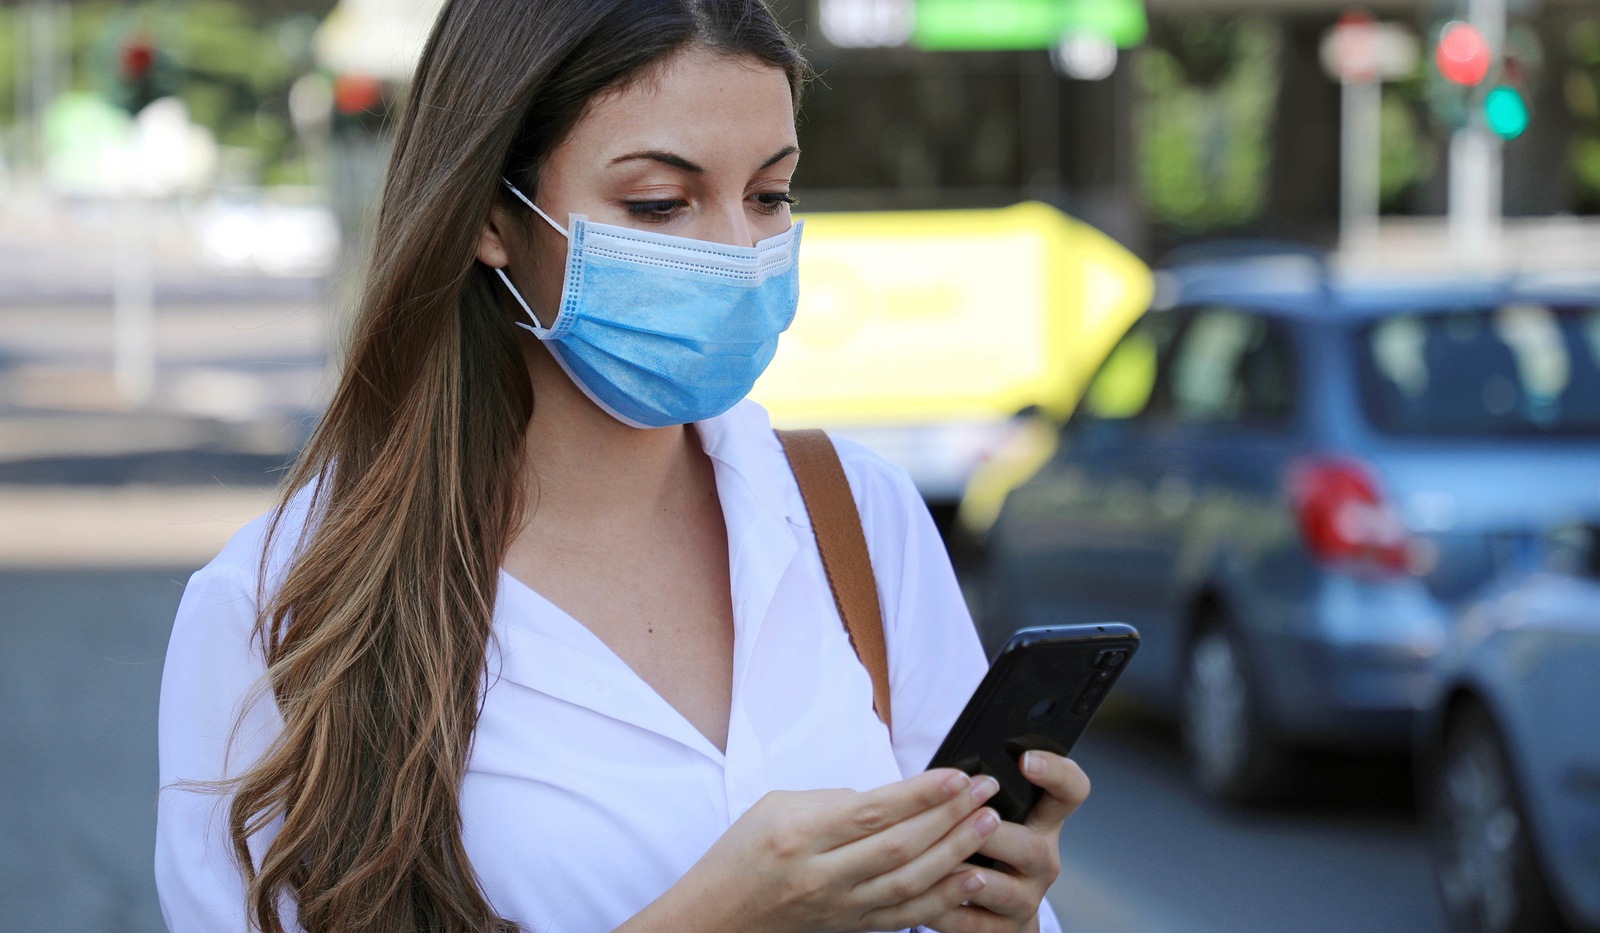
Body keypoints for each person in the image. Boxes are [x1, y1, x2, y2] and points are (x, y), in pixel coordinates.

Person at [154, 1, 1090, 931]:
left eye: (770, 196)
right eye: (659, 203)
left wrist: (1000, 909)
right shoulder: (279, 607)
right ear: (492, 216)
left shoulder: (857, 513)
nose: (737, 252)